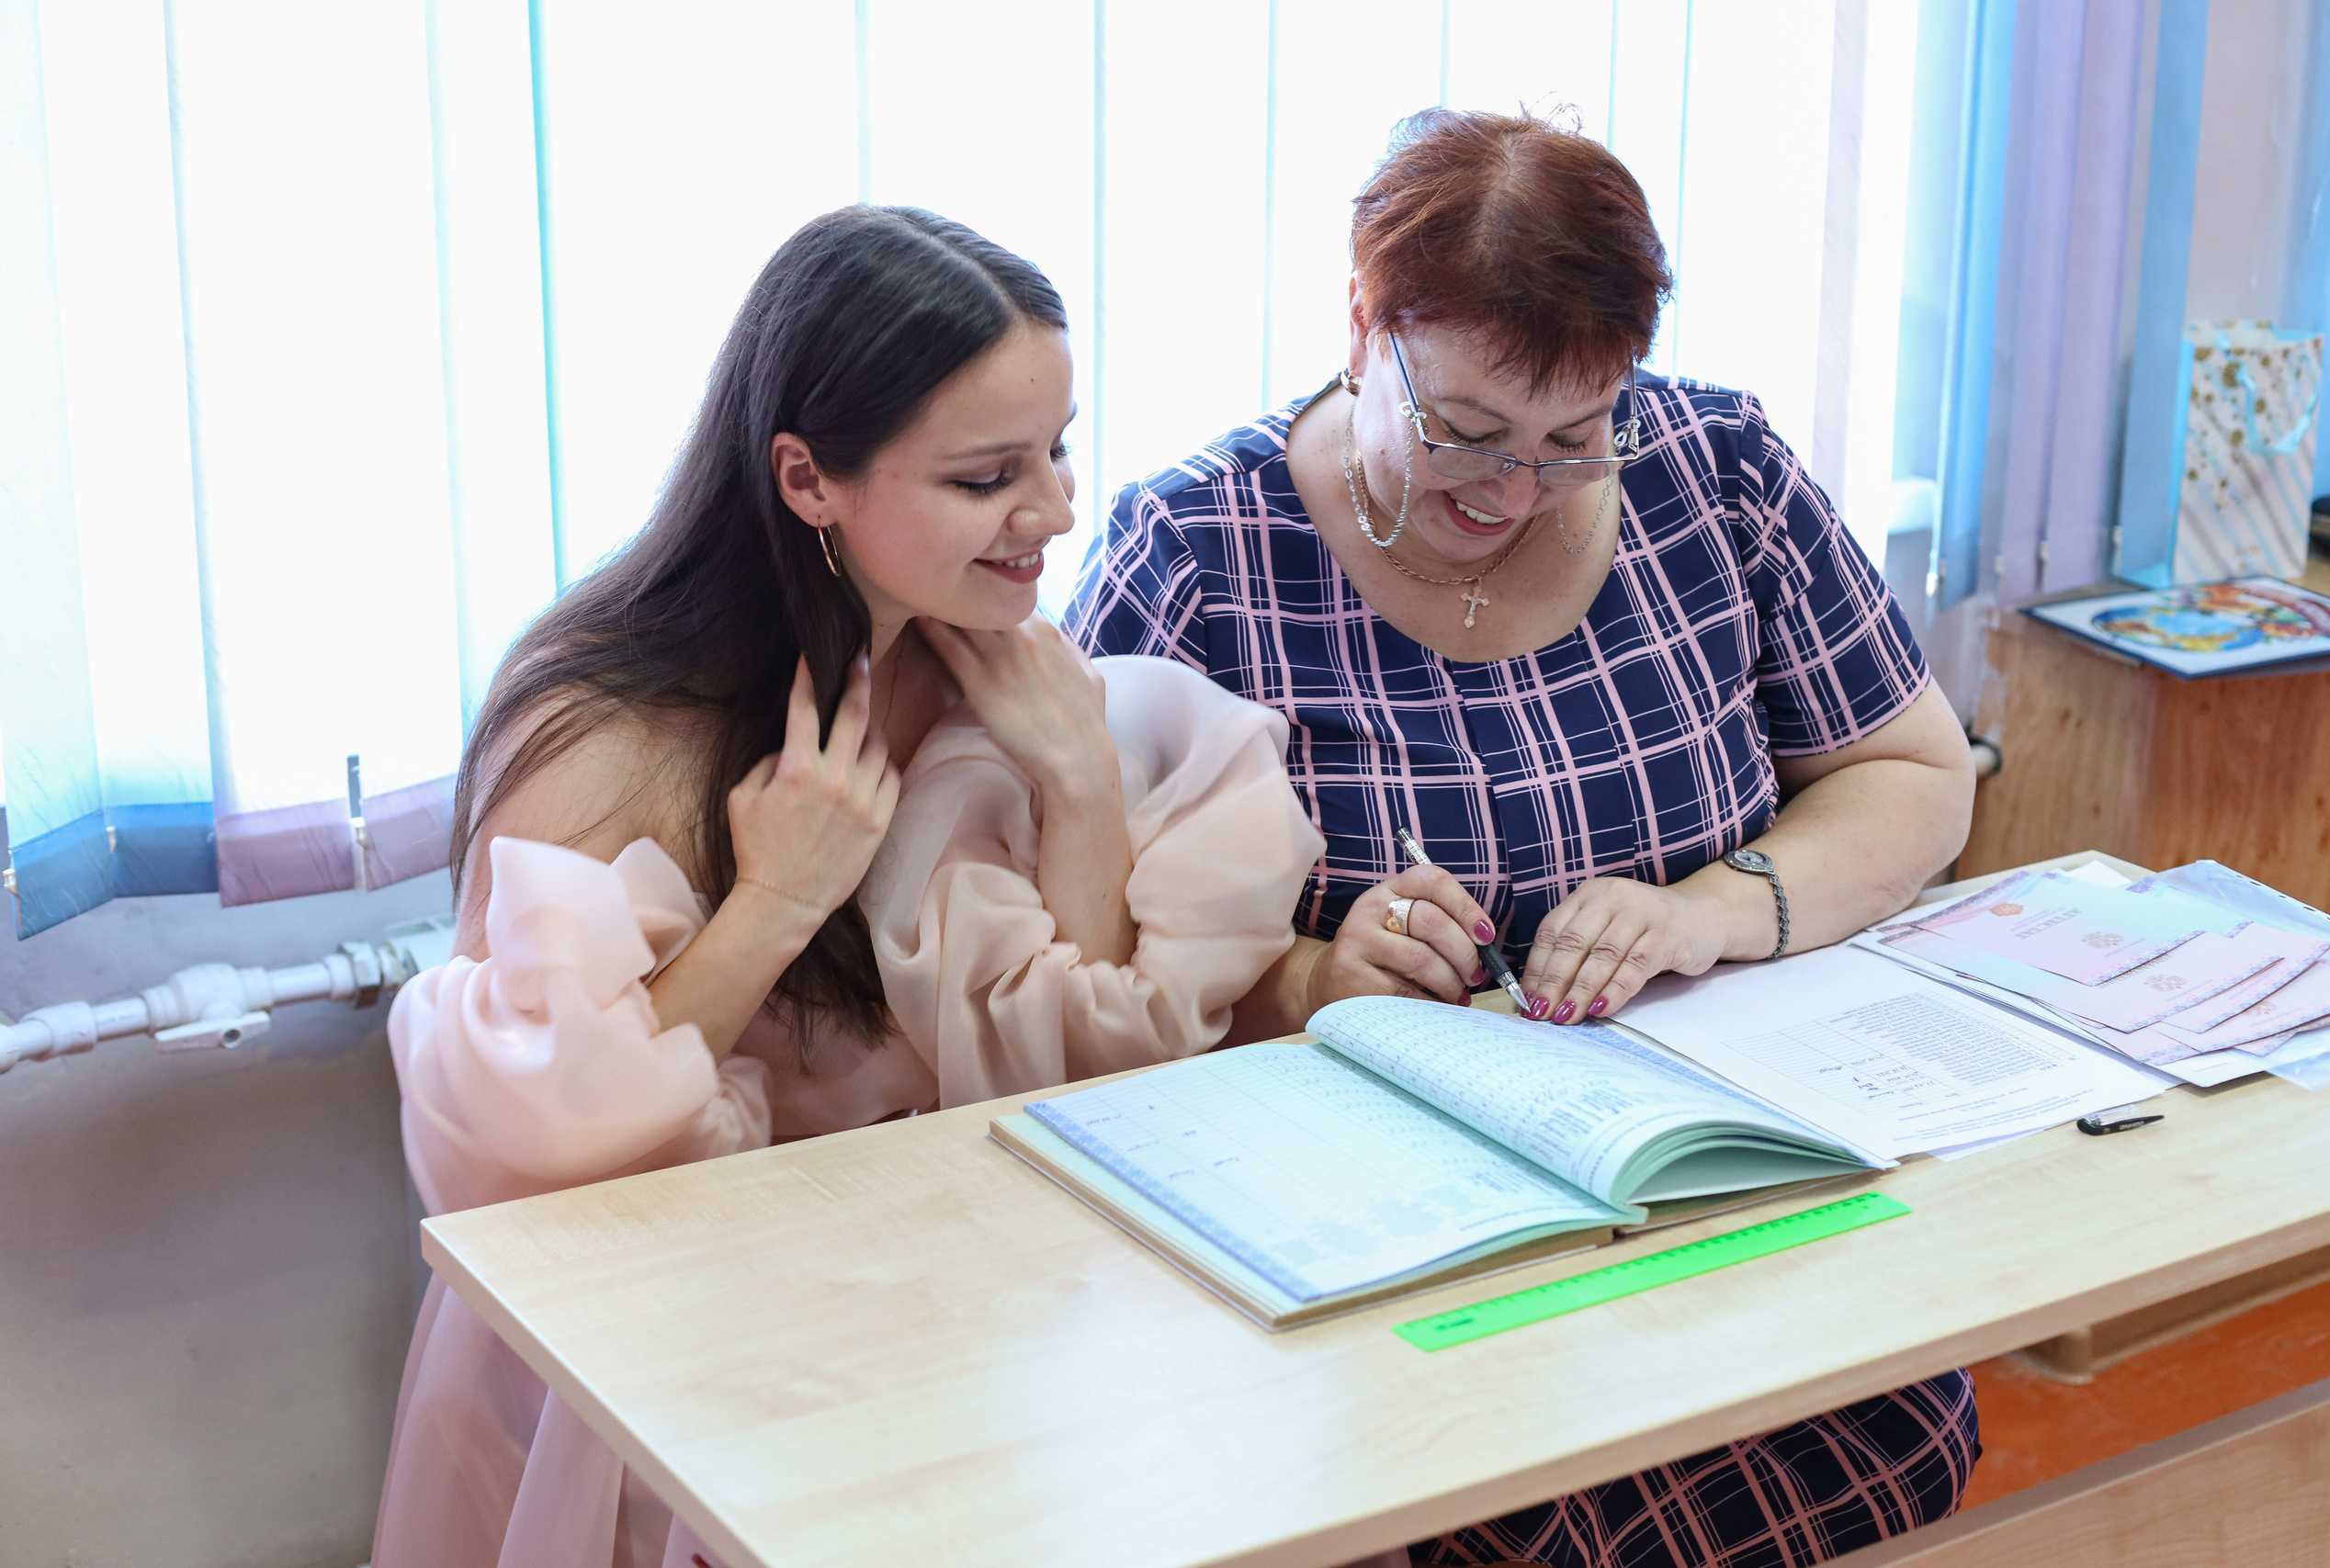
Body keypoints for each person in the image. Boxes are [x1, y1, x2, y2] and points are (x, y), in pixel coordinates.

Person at [1066, 108, 1980, 1567]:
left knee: (1885, 1423)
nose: (1510, 492)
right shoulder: (1197, 552)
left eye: (1574, 442)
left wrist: (1717, 908)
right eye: (1466, 433)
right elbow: (1072, 956)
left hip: (1715, 1196)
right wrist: (1303, 977)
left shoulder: (1716, 469)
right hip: (1391, 1277)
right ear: (1363, 328)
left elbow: (1914, 771)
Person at [374, 207, 1321, 1568]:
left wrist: (1080, 785)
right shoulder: (611, 733)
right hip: (686, 1366)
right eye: (990, 476)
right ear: (810, 479)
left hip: (960, 1316)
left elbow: (1111, 1070)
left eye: (1057, 451)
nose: (1054, 513)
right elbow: (516, 1156)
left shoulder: (1025, 686)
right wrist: (773, 905)